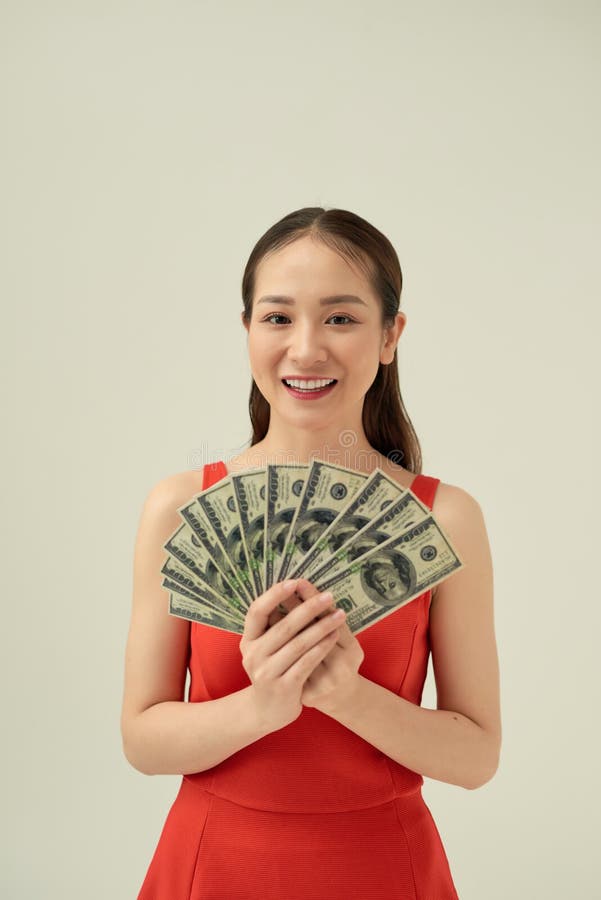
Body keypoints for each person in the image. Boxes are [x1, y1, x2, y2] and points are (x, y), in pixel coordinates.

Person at [121, 206, 502, 899]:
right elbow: (142, 740)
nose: (304, 349)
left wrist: (342, 696)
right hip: (210, 867)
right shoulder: (178, 507)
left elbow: (476, 757)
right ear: (245, 332)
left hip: (385, 868)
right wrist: (263, 707)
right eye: (276, 318)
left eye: (340, 318)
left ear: (391, 336)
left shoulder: (444, 517)